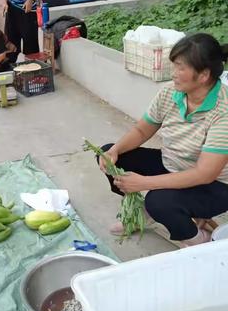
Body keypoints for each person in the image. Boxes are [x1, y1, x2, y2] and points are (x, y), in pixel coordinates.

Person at [97, 33, 228, 247]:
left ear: (203, 75)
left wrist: (145, 183)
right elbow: (141, 130)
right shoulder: (170, 92)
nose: (173, 74)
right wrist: (116, 150)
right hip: (172, 163)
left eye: (180, 68)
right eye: (173, 66)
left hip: (215, 185)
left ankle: (198, 239)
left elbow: (205, 173)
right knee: (109, 154)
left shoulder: (223, 111)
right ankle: (140, 214)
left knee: (158, 201)